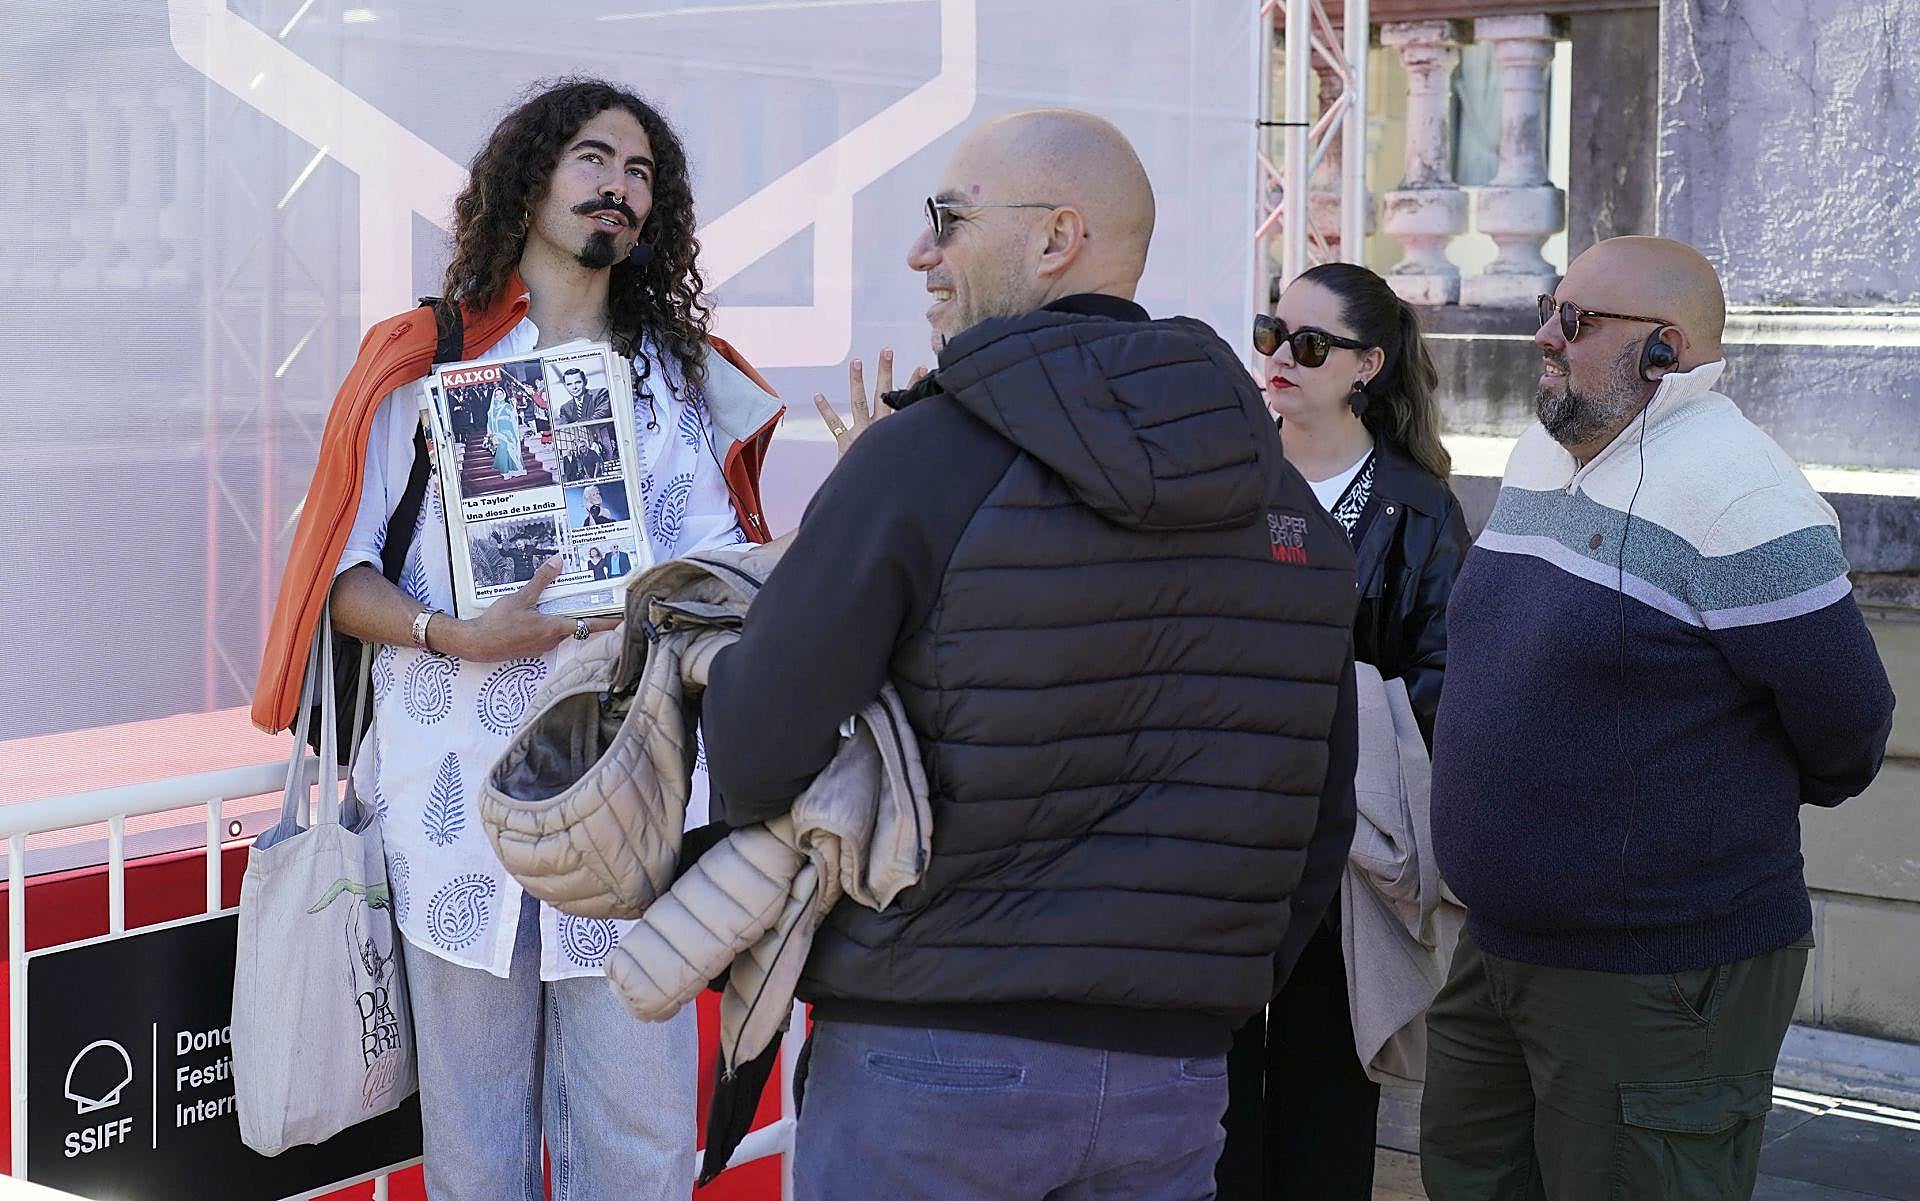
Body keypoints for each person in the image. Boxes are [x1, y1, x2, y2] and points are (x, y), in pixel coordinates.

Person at [701, 108, 1359, 1201]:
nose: (922, 252)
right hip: (1173, 1078)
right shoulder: (1283, 500)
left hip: (927, 1056)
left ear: (1056, 239)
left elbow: (756, 742)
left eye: (947, 220)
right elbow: (1315, 811)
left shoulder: (920, 458)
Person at [250, 77, 784, 1201]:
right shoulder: (426, 360)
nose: (619, 188)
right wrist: (455, 633)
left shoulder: (679, 382)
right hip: (458, 815)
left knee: (639, 1150)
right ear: (530, 177)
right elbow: (340, 577)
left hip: (629, 807)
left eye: (641, 173)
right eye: (594, 159)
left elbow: (727, 572)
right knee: (477, 1155)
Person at [1421, 236, 1895, 1201]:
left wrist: (1693, 809)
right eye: (1549, 309)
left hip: (1657, 978)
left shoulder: (1742, 493)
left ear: (1664, 350)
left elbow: (1849, 726)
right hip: (1501, 946)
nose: (1545, 337)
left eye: (1578, 322)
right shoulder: (1544, 450)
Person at [1218, 262, 1469, 1200]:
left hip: (1343, 841)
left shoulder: (1416, 507)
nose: (1281, 358)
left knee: (1327, 1094)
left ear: (1366, 363)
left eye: (1311, 345)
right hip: (1220, 832)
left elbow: (1442, 679)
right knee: (1217, 1094)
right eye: (1271, 333)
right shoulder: (1225, 474)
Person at [486, 383, 526, 477]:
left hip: (509, 433)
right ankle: (505, 472)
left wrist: (514, 409)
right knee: (503, 448)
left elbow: (514, 420)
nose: (499, 396)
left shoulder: (508, 406)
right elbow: (489, 424)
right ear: (494, 397)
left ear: (503, 394)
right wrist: (491, 436)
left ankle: (515, 470)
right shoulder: (492, 410)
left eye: (500, 394)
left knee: (511, 449)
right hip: (498, 434)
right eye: (497, 395)